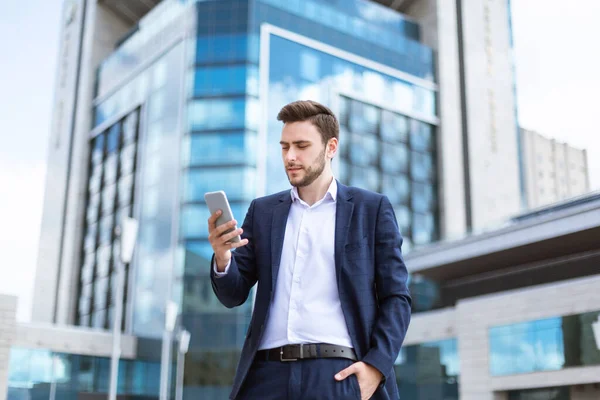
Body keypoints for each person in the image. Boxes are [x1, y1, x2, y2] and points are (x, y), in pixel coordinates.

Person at [208, 100, 411, 400]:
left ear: (331, 147)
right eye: (284, 146)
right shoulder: (263, 212)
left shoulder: (371, 209)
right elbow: (233, 294)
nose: (290, 156)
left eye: (301, 145)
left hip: (338, 375)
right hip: (266, 376)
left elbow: (397, 298)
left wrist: (375, 367)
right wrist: (223, 257)